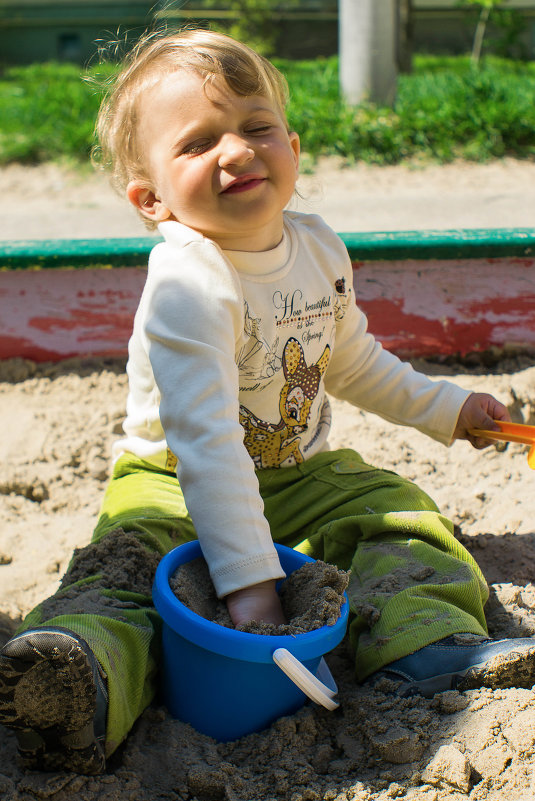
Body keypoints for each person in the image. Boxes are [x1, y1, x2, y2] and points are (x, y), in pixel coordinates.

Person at [1, 28, 534, 776]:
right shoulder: (189, 279)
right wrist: (251, 587)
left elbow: (348, 361)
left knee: (399, 513)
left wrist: (447, 407)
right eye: (198, 143)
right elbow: (206, 439)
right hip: (171, 477)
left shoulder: (316, 249)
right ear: (150, 198)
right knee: (123, 570)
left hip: (292, 473)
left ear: (291, 144)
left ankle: (422, 642)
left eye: (256, 128)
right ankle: (78, 677)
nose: (237, 150)